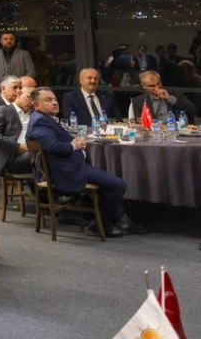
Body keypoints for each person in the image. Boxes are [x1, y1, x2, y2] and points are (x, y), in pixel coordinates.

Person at [29, 88, 138, 237]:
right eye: (48, 100)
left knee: (107, 180)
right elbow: (52, 146)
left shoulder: (45, 119)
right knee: (118, 185)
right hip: (66, 171)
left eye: (54, 99)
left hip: (71, 165)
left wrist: (74, 142)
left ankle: (117, 220)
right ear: (36, 105)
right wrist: (75, 145)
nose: (54, 102)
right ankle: (100, 224)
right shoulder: (40, 121)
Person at [0, 84, 34, 181]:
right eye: (29, 97)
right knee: (45, 157)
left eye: (34, 99)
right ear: (18, 94)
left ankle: (45, 189)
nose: (31, 101)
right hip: (14, 156)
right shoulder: (2, 110)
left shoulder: (35, 114)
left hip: (35, 152)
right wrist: (18, 147)